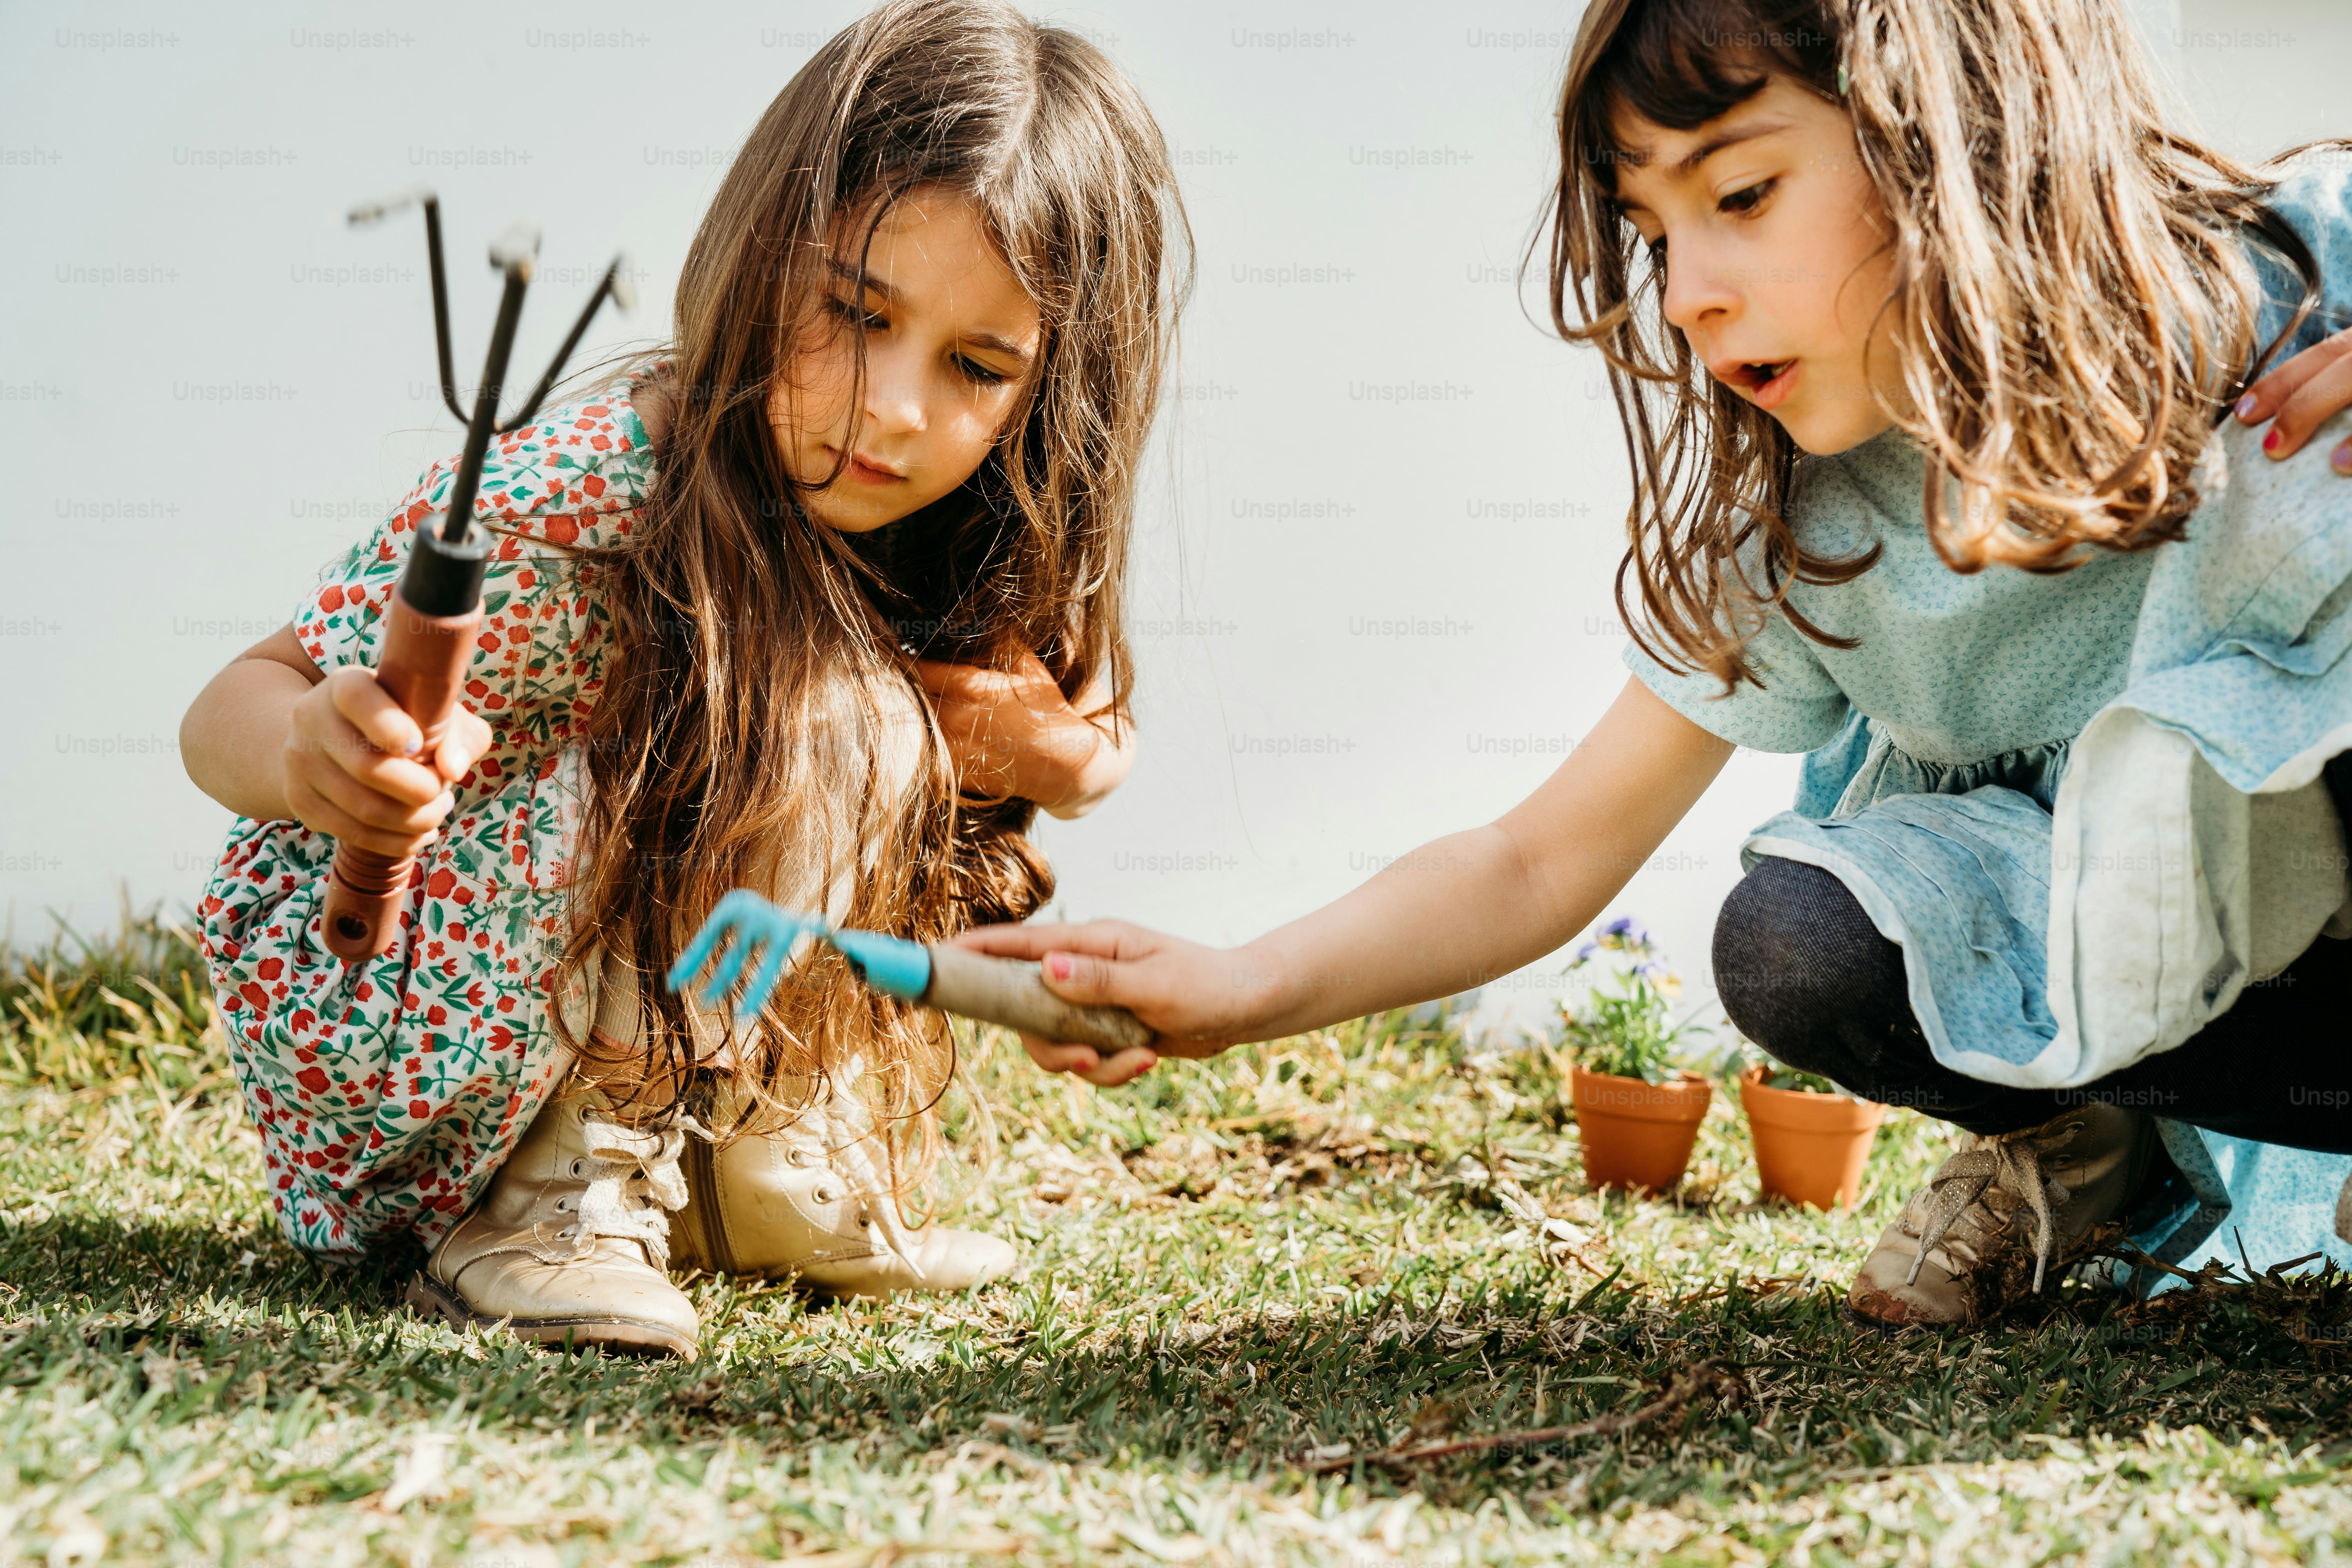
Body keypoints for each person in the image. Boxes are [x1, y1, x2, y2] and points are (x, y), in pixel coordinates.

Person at [964, 0, 2352, 1329]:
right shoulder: (1814, 534)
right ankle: (2082, 1133)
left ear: (1964, 134)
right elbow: (1539, 858)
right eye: (1651, 229)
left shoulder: (2297, 287)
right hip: (2166, 949)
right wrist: (1250, 982)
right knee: (1798, 946)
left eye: (1740, 196)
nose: (1687, 293)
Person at [180, 0, 1187, 1356]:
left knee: (854, 723)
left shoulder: (953, 518)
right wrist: (310, 747)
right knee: (804, 712)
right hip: (393, 1013)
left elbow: (1090, 729)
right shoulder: (591, 494)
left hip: (582, 1002)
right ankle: (544, 1199)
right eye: (857, 311)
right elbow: (229, 705)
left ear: (1051, 388)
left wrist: (1067, 753)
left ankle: (749, 1169)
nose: (894, 405)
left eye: (976, 364)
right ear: (766, 254)